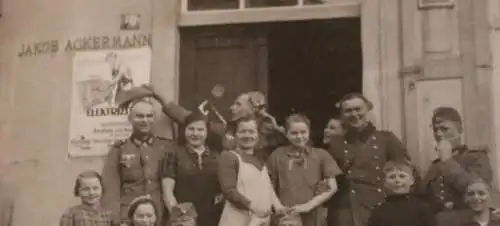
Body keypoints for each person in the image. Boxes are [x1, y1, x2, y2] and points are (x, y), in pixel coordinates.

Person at [121, 85, 287, 160]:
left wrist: (279, 130)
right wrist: (158, 96)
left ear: (253, 109)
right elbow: (188, 118)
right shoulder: (225, 129)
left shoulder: (270, 132)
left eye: (238, 104)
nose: (231, 107)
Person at [326, 93, 410, 226]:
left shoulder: (386, 139)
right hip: (349, 209)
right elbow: (330, 179)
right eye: (348, 111)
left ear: (368, 109)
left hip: (381, 206)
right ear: (342, 115)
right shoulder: (336, 144)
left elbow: (406, 173)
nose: (354, 114)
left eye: (358, 109)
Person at [101, 99, 176, 226]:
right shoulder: (119, 149)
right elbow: (110, 186)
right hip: (130, 216)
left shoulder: (166, 147)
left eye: (149, 116)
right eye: (139, 116)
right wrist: (117, 218)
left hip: (159, 215)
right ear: (130, 119)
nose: (145, 120)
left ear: (155, 119)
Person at [267, 114, 341, 226]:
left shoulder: (321, 155)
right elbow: (267, 184)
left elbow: (332, 187)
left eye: (303, 132)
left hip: (313, 214)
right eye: (294, 133)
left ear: (309, 132)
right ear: (286, 134)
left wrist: (308, 206)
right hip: (286, 215)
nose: (299, 136)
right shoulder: (277, 155)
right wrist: (278, 206)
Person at [418, 107, 493, 214]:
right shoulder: (436, 165)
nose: (438, 134)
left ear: (460, 130)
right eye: (436, 130)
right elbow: (423, 195)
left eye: (444, 129)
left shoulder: (477, 157)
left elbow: (478, 190)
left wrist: (448, 161)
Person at [217, 116, 285, 226]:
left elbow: (267, 187)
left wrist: (278, 206)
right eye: (242, 132)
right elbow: (229, 191)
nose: (247, 136)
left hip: (260, 221)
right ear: (235, 135)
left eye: (251, 132)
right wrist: (253, 206)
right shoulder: (229, 157)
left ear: (257, 135)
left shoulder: (260, 158)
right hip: (237, 220)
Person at [162, 112, 223, 226]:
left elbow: (221, 192)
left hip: (211, 218)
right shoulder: (174, 154)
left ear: (207, 132)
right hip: (183, 218)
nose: (195, 133)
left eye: (200, 130)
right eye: (191, 129)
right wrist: (180, 218)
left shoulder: (217, 157)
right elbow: (167, 192)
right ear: (184, 130)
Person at [367, 161, 435, 226]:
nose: (397, 181)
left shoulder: (422, 208)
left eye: (402, 176)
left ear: (412, 180)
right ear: (385, 182)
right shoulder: (379, 211)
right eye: (392, 177)